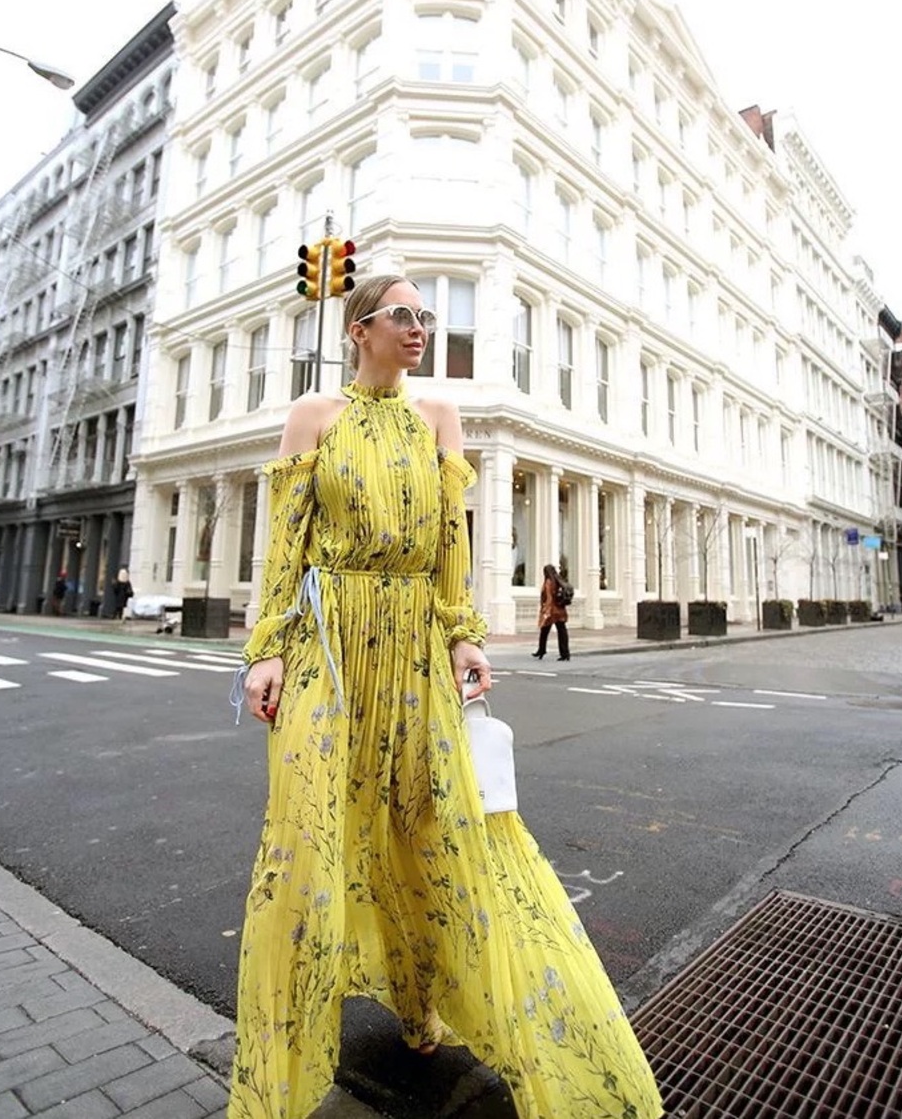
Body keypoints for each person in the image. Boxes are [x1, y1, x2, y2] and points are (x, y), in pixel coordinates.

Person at [230, 275, 661, 1119]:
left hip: (414, 650)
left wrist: (464, 633)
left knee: (425, 824)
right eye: (405, 314)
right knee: (311, 838)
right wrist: (265, 651)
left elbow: (446, 545)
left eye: (426, 316)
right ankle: (283, 1067)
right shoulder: (312, 418)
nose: (422, 327)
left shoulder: (440, 421)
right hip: (329, 646)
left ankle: (419, 999)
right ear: (359, 330)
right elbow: (283, 550)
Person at [533, 562, 571, 661]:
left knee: (544, 631)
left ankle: (541, 650)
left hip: (552, 611)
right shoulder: (559, 580)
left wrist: (545, 611)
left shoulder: (549, 582)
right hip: (560, 610)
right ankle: (565, 653)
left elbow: (549, 598)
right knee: (562, 632)